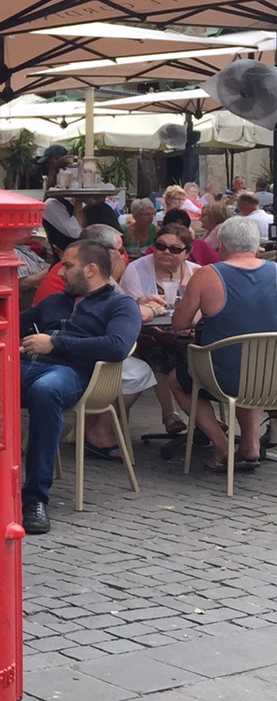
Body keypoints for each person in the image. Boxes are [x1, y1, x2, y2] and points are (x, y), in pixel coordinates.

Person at [18, 237, 141, 536]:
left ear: (91, 270)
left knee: (46, 391)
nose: (59, 273)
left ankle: (34, 498)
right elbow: (13, 321)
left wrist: (55, 343)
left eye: (67, 266)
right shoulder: (55, 301)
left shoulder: (120, 305)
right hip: (26, 366)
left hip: (72, 373)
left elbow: (116, 347)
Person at [172, 214, 277, 472]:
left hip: (225, 375)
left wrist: (202, 312)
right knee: (251, 371)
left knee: (177, 380)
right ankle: (251, 446)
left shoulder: (208, 275)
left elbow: (179, 323)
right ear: (256, 245)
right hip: (272, 376)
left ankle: (221, 446)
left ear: (222, 245)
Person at [121, 221, 196, 436]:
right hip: (148, 335)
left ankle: (202, 420)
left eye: (174, 249)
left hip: (184, 335)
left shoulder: (197, 273)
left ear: (187, 253)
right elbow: (129, 310)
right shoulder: (136, 269)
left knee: (195, 352)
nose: (165, 252)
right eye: (160, 246)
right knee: (157, 351)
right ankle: (170, 414)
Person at [190, 202, 229, 267]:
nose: (200, 219)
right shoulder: (210, 231)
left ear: (214, 216)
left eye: (203, 216)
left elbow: (201, 249)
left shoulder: (220, 228)